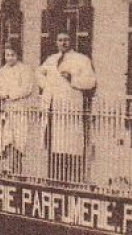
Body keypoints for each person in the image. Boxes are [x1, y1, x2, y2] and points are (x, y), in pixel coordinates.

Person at [37, 31, 97, 181]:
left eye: (66, 40)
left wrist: (73, 78)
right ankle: (55, 179)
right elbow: (38, 73)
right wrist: (47, 86)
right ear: (56, 42)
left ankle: (72, 180)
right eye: (60, 40)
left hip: (71, 108)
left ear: (72, 41)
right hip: (54, 108)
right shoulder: (51, 59)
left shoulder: (82, 60)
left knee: (71, 146)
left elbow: (91, 82)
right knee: (55, 145)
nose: (63, 43)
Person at [0, 44, 38, 174]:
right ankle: (4, 168)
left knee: (17, 141)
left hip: (18, 110)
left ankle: (15, 170)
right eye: (7, 55)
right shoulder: (2, 71)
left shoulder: (25, 70)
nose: (9, 58)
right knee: (3, 139)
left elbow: (27, 88)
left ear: (17, 55)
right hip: (4, 109)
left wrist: (10, 95)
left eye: (12, 55)